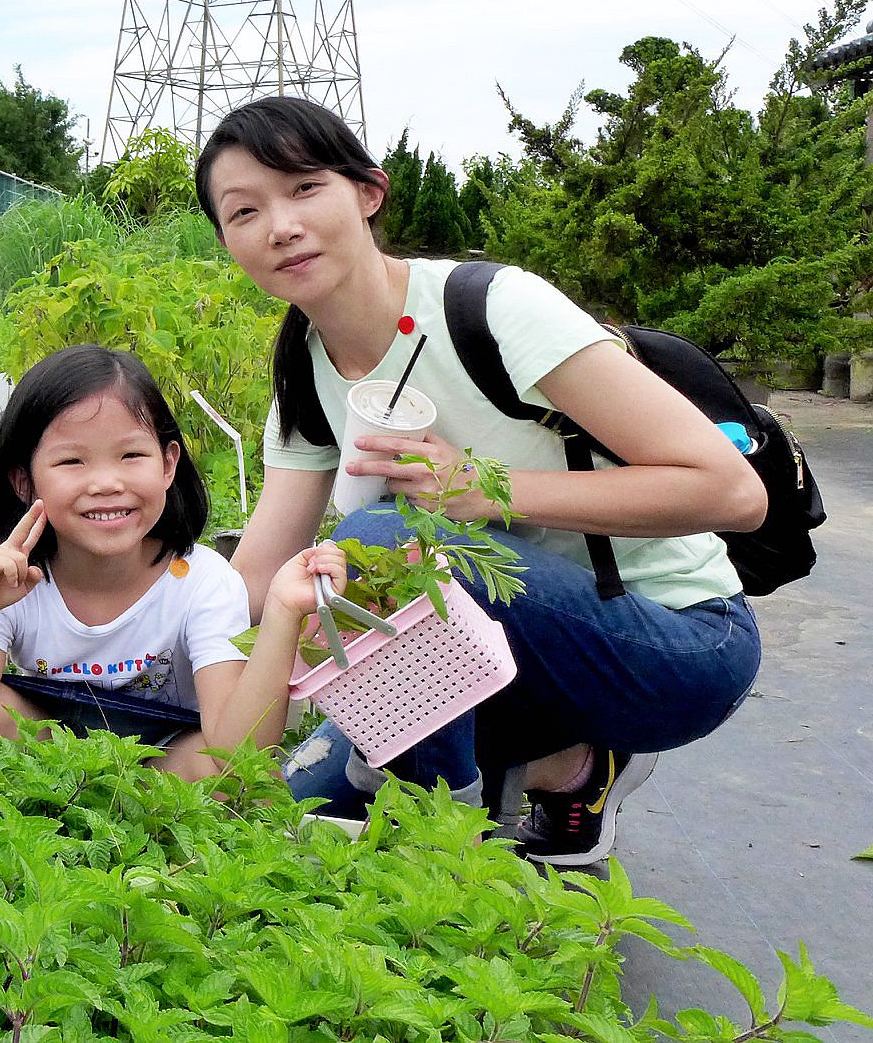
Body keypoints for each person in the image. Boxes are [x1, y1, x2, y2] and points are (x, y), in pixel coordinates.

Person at [200, 96, 766, 863]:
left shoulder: (493, 309)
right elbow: (258, 577)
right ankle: (563, 768)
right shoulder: (304, 371)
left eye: (304, 188)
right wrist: (129, 650)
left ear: (368, 192)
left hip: (674, 644)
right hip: (484, 658)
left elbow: (733, 493)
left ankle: (446, 855)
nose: (280, 226)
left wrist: (482, 488)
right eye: (243, 212)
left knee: (383, 539)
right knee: (301, 797)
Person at [0, 345, 346, 781]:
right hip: (48, 753)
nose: (107, 483)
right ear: (23, 480)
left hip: (162, 765)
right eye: (72, 461)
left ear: (168, 465)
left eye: (131, 456)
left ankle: (128, 815)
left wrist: (282, 611)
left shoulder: (202, 582)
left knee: (225, 777)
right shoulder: (7, 577)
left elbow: (238, 756)